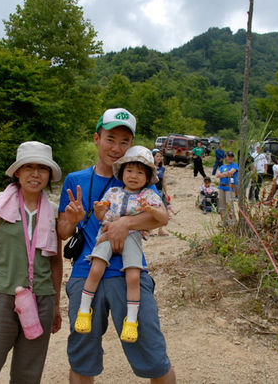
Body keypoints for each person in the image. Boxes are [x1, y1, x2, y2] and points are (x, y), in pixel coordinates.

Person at [57, 108, 176, 383]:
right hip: (85, 272)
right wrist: (72, 220)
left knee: (155, 358)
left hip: (129, 272)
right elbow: (63, 232)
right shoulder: (75, 180)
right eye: (111, 139)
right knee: (82, 359)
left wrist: (124, 223)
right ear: (97, 138)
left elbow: (160, 218)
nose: (116, 147)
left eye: (124, 141)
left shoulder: (139, 177)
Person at [0, 141, 63, 384]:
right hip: (1, 298)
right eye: (28, 167)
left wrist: (55, 305)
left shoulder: (53, 211)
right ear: (17, 171)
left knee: (28, 375)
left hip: (41, 300)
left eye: (42, 168)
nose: (35, 174)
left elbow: (55, 262)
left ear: (49, 174)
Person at [74, 146, 167, 344]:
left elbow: (162, 216)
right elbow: (101, 216)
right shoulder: (113, 191)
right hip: (107, 231)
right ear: (122, 172)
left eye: (140, 172)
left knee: (133, 276)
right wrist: (99, 210)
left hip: (132, 236)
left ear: (148, 176)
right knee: (96, 267)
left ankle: (131, 320)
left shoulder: (148, 195)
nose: (134, 176)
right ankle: (84, 309)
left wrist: (151, 209)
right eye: (130, 171)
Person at [152, 149, 171, 235]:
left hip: (160, 191)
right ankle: (150, 230)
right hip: (152, 192)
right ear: (153, 157)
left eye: (160, 156)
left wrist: (166, 192)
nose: (159, 158)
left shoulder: (162, 169)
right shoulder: (150, 167)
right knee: (153, 210)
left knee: (163, 210)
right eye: (157, 156)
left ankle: (160, 230)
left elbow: (163, 181)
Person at [214, 151, 238, 219]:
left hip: (229, 187)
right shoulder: (222, 166)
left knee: (229, 205)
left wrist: (223, 174)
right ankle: (224, 221)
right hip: (221, 187)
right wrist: (226, 174)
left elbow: (231, 172)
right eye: (228, 156)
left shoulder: (235, 165)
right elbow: (217, 175)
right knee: (222, 206)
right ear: (225, 158)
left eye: (231, 156)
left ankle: (232, 222)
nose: (230, 158)